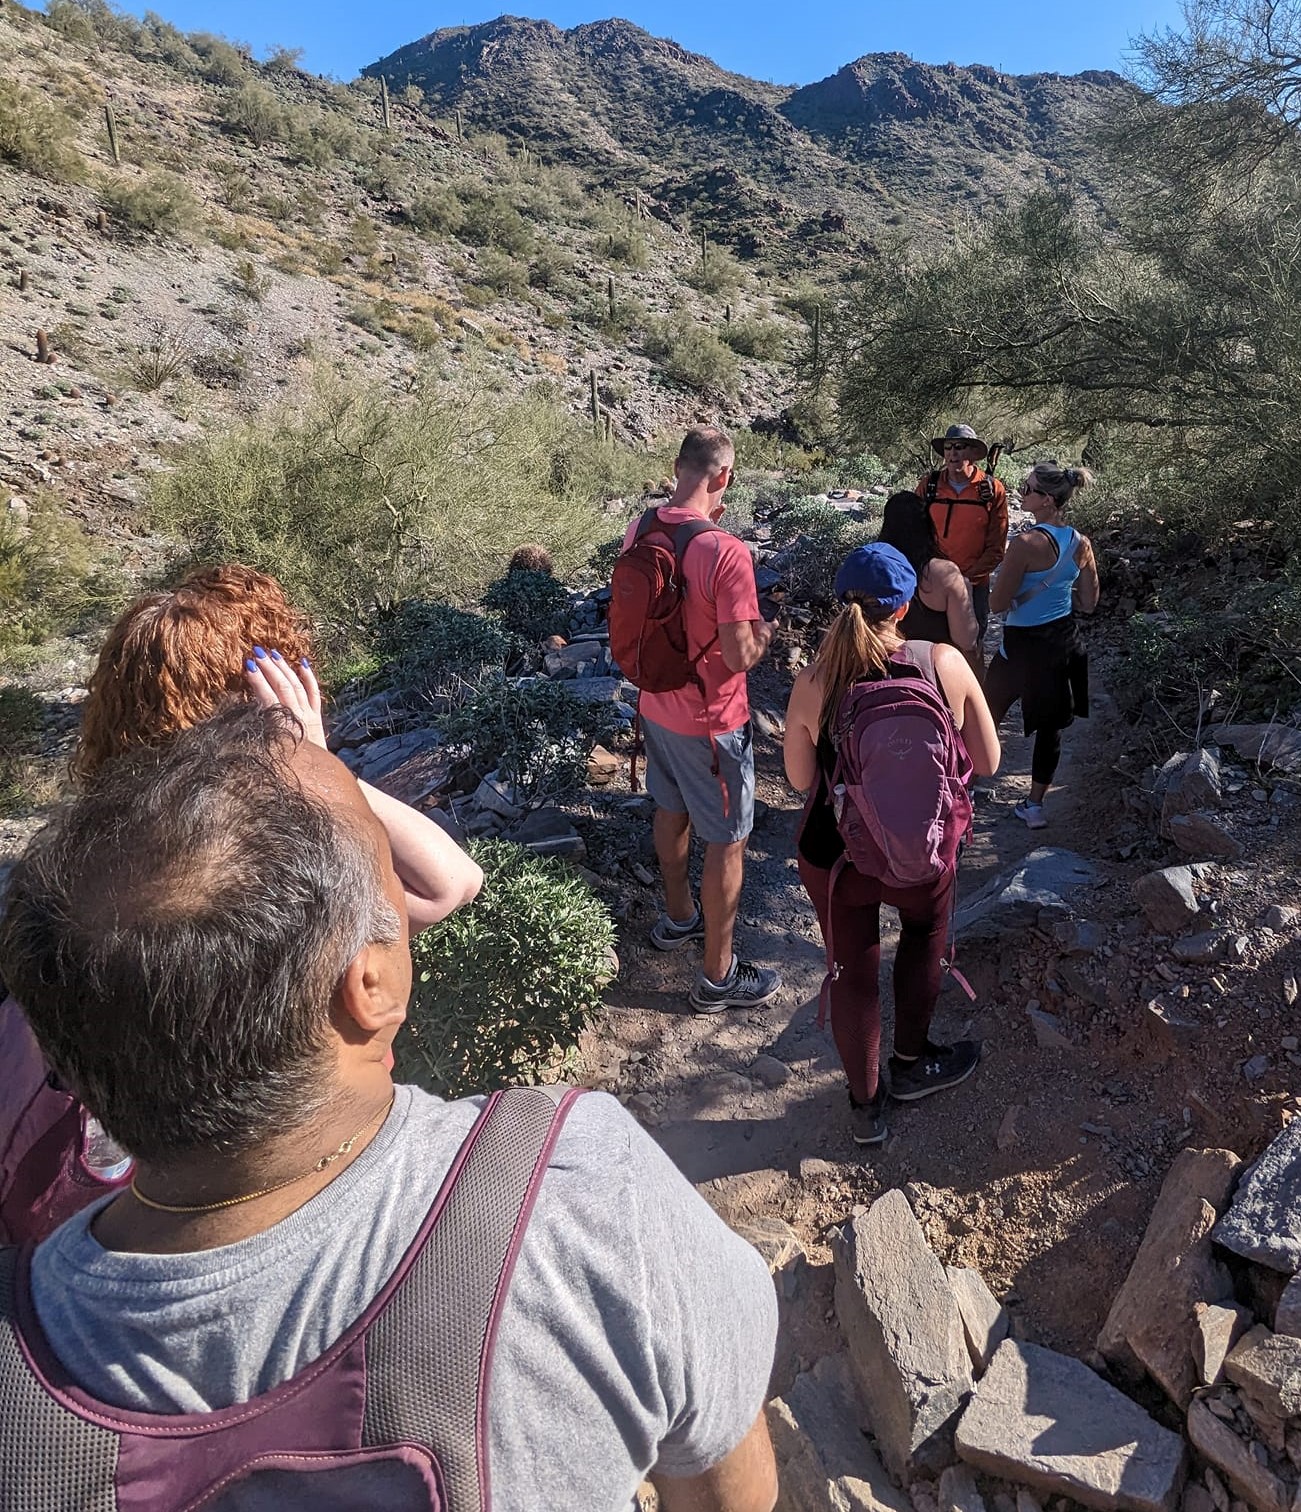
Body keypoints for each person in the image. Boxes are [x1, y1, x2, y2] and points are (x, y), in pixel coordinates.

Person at [0, 707, 779, 1512]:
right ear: (368, 985)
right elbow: (730, 1486)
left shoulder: (19, 1359)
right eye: (386, 877)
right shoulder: (575, 1193)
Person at [1, 564, 482, 1248]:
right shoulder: (268, 873)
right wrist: (310, 761)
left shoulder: (70, 866)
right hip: (261, 1208)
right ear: (256, 704)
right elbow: (447, 884)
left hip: (75, 1228)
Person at [784, 544, 1000, 1146]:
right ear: (904, 608)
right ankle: (911, 1065)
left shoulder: (815, 679)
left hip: (839, 857)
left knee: (852, 971)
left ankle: (865, 1108)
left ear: (841, 603)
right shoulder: (943, 663)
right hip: (925, 851)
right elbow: (988, 760)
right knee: (924, 938)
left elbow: (802, 781)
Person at [628, 427, 782, 1013]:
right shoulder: (726, 551)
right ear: (724, 478)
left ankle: (677, 918)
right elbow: (740, 655)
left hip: (653, 704)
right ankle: (718, 978)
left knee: (670, 810)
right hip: (711, 721)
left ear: (677, 468)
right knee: (728, 839)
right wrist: (765, 632)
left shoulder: (641, 528)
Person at [986, 460, 1099, 830]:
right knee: (1051, 728)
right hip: (1063, 643)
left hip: (1021, 645)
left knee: (985, 713)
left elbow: (997, 604)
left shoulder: (1025, 544)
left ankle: (958, 787)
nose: (1022, 493)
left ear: (1047, 501)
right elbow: (1089, 602)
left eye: (1028, 488)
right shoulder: (1081, 543)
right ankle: (1034, 806)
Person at [915, 424, 1008, 639]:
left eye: (959, 446)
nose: (952, 453)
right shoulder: (929, 486)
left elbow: (996, 547)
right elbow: (914, 532)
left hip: (974, 587)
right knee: (932, 646)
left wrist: (967, 579)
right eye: (948, 448)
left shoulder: (992, 490)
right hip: (932, 584)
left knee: (971, 648)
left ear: (973, 454)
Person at [878, 491, 980, 668]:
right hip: (935, 673)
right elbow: (967, 639)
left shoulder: (876, 567)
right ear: (927, 525)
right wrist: (967, 592)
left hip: (884, 669)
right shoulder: (943, 573)